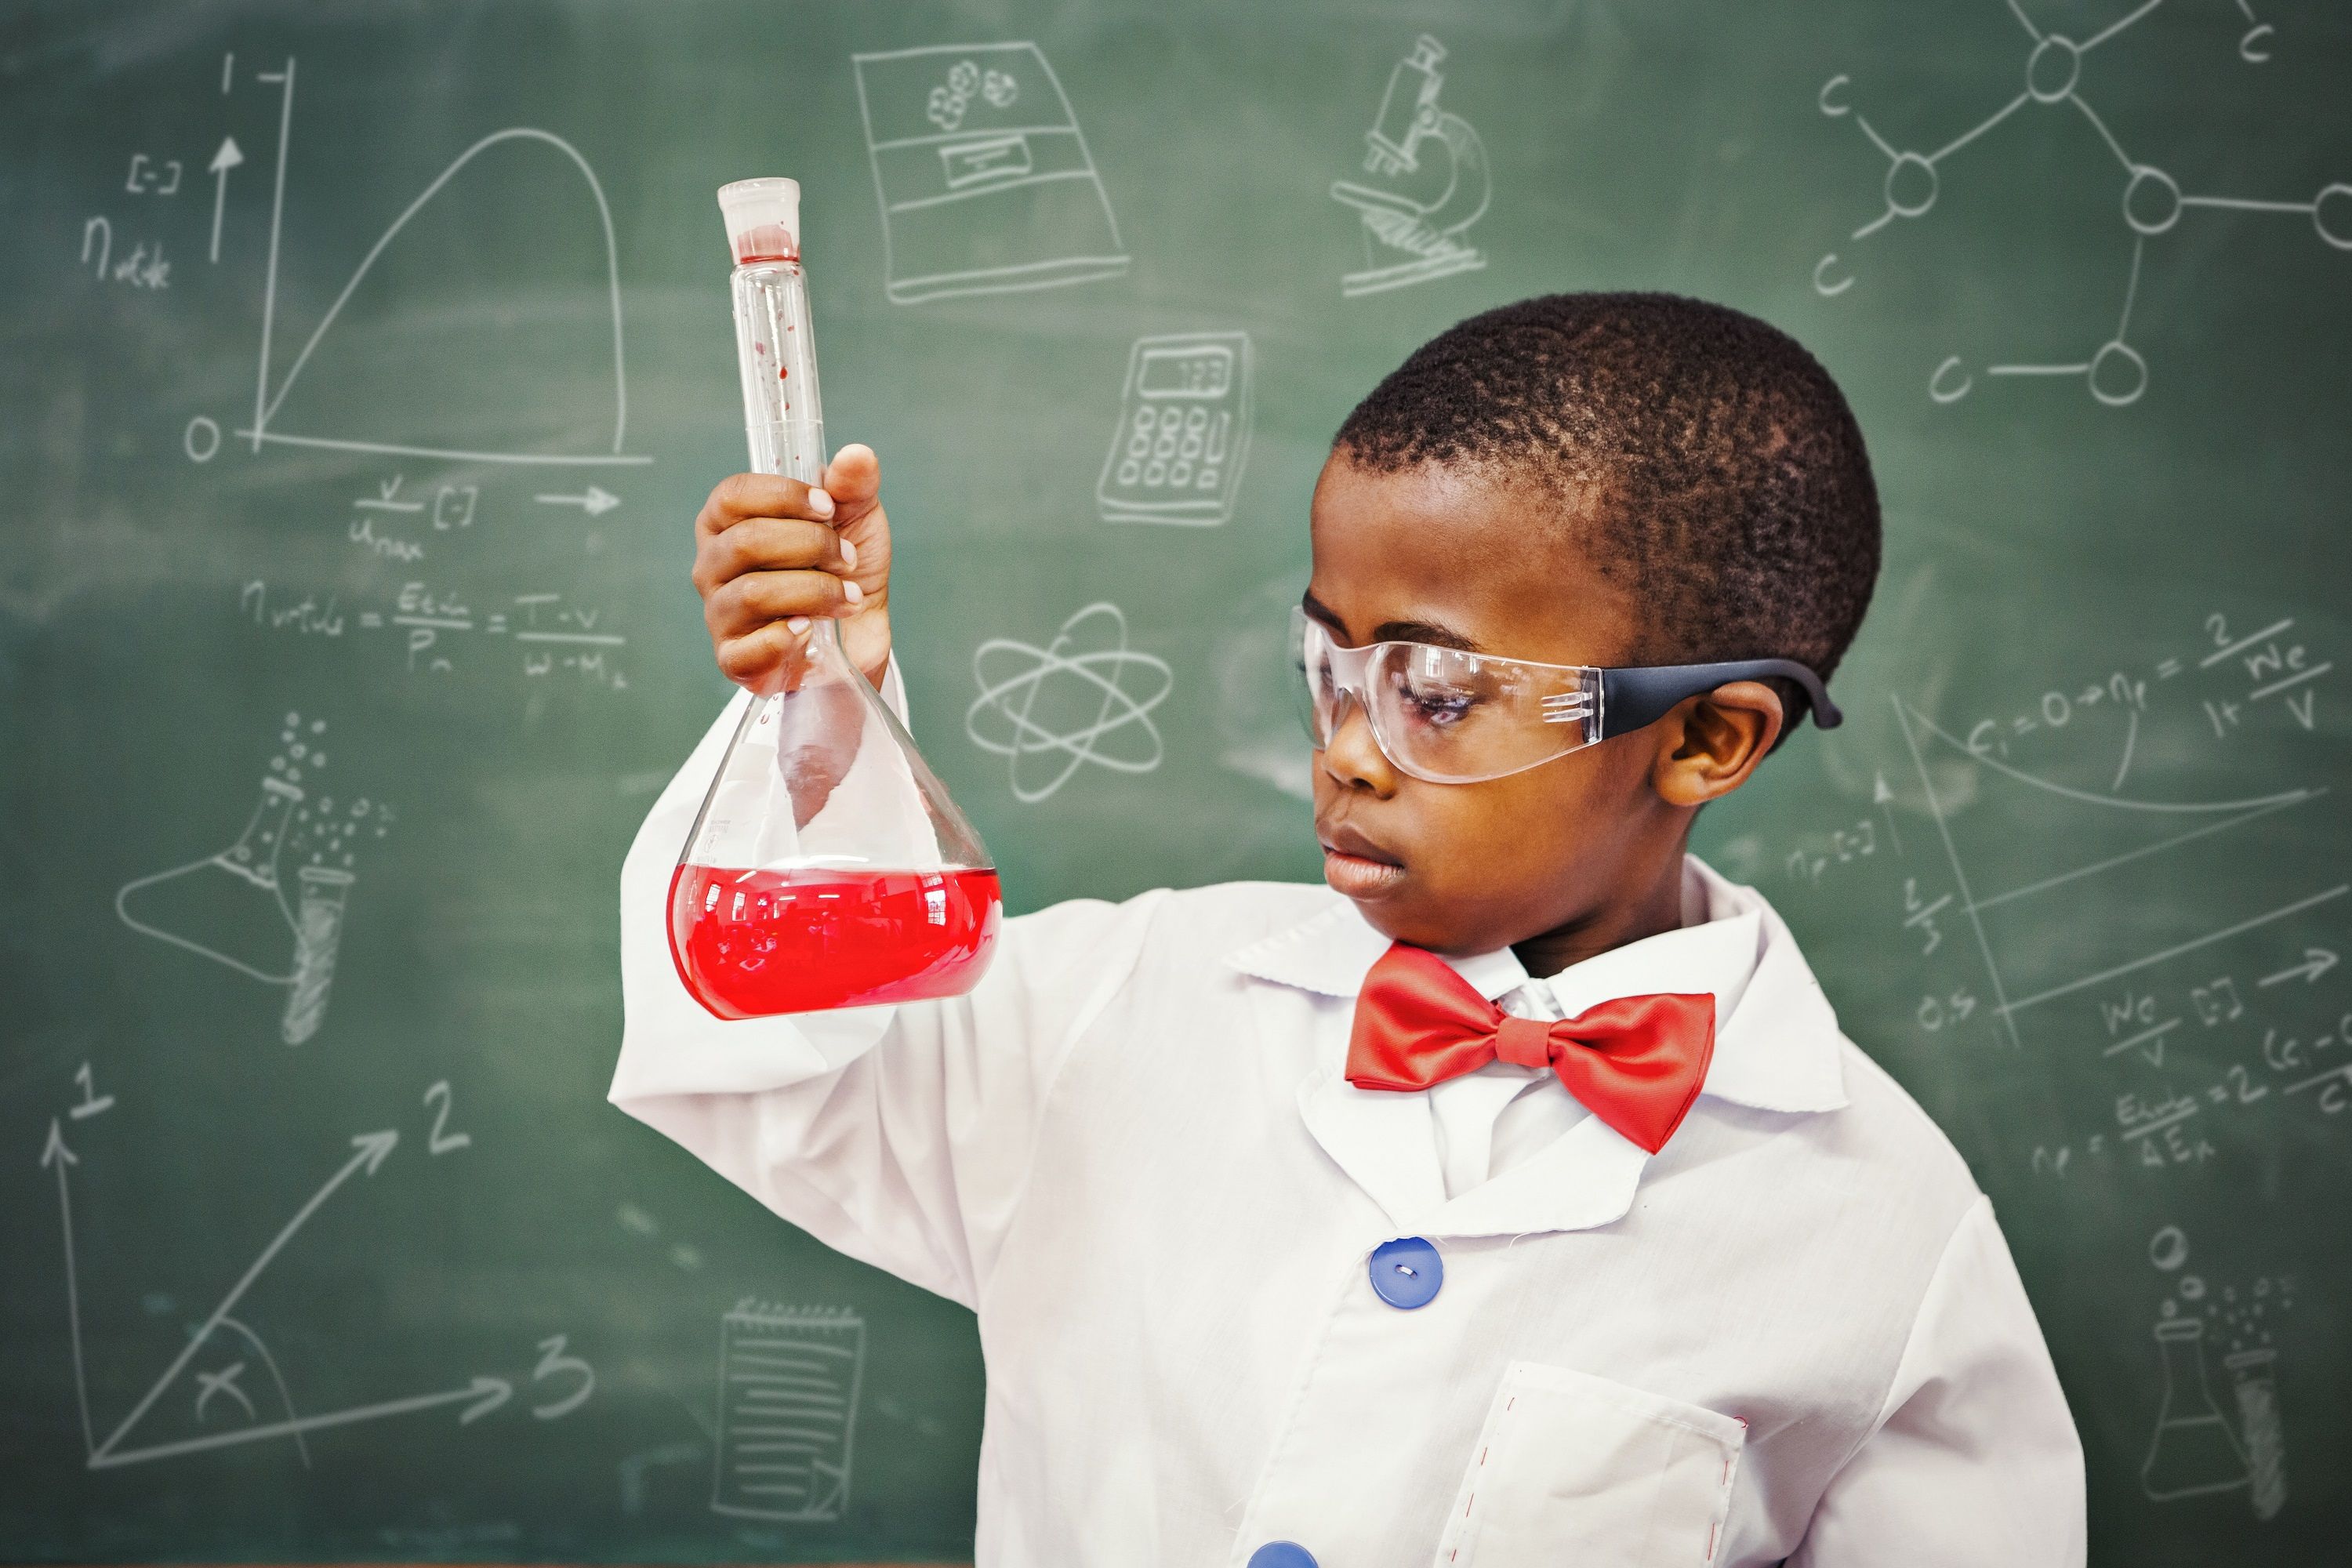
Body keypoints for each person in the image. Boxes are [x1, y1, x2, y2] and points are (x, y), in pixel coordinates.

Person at [610, 293, 2086, 1566]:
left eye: (1436, 694)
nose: (1350, 752)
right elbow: (763, 1060)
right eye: (1332, 663)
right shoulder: (1121, 1010)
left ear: (1706, 738)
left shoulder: (1883, 1231)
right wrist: (824, 711)